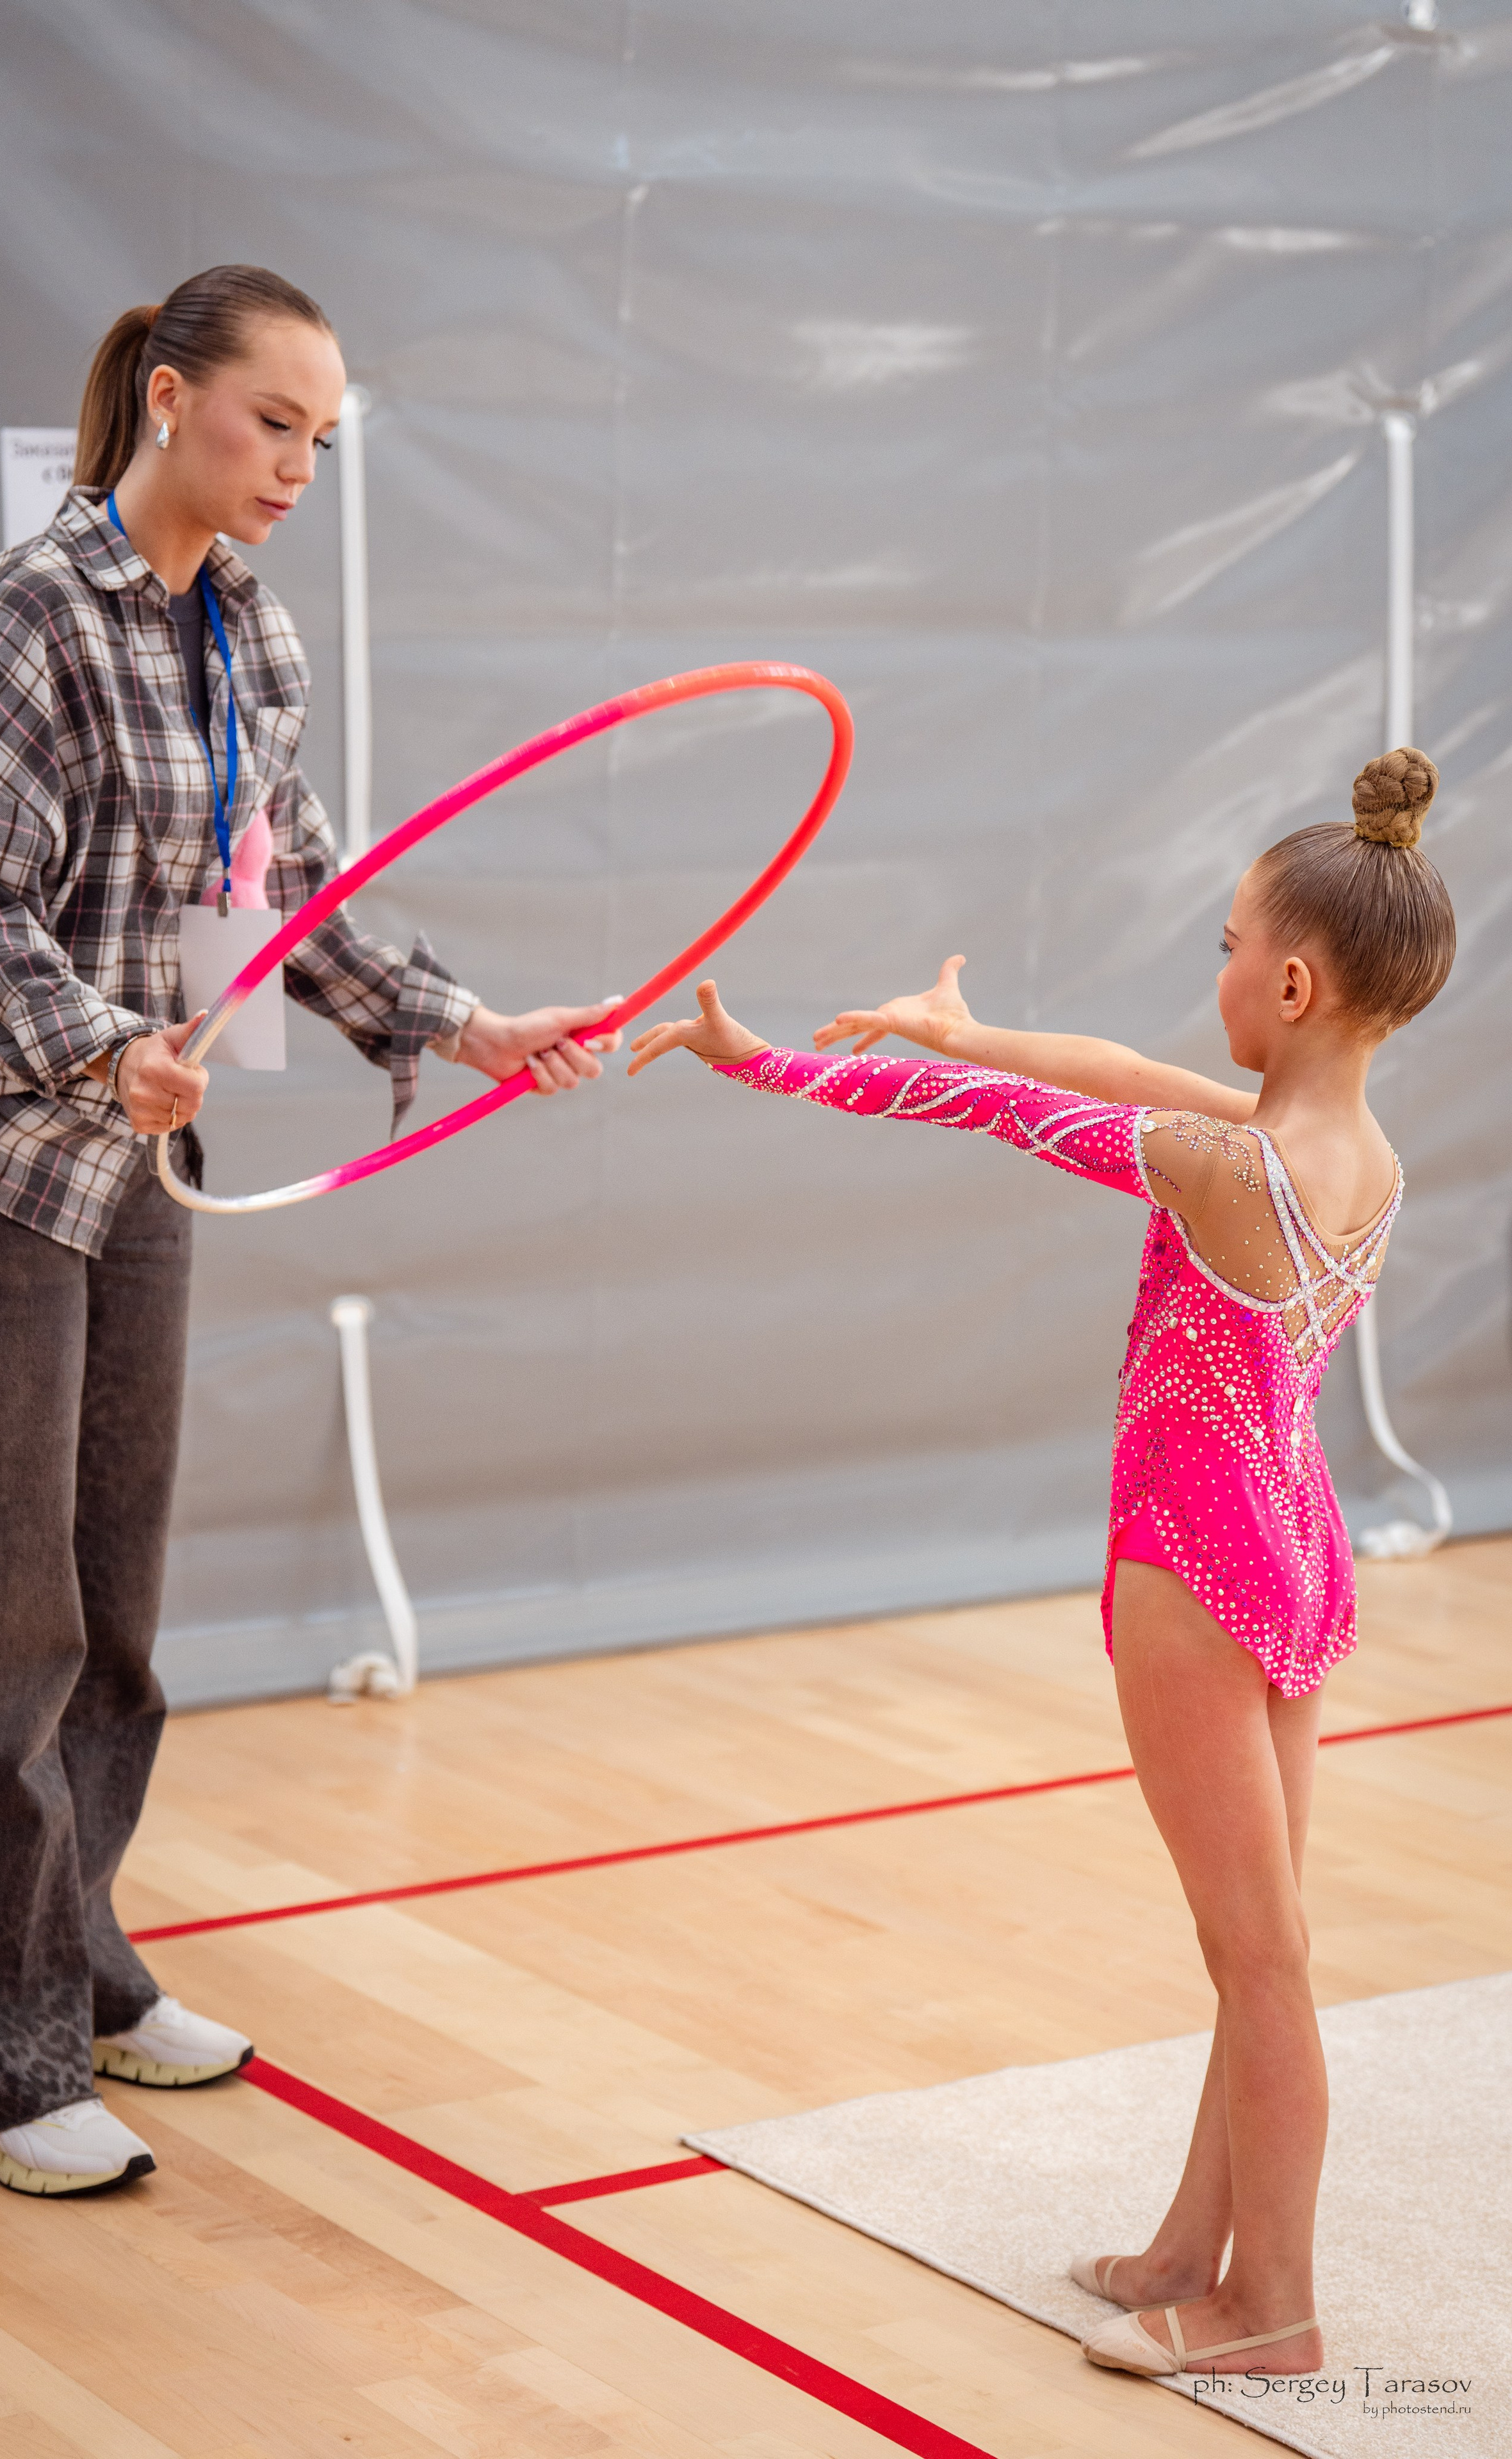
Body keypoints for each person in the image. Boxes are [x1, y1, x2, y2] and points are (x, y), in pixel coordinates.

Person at [0, 264, 620, 2198]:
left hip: (137, 1171)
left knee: (110, 1609)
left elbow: (282, 890)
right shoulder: (38, 605)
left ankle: (81, 1970)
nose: (298, 465)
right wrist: (103, 1043)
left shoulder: (251, 638)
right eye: (273, 422)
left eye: (323, 440)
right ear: (173, 398)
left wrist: (459, 1023)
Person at [628, 749, 1454, 2381]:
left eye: (1223, 945)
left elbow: (1021, 1116)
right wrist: (965, 1022)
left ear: (1287, 982)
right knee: (1261, 1939)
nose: (1209, 971)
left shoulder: (1227, 1169)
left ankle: (1268, 2306)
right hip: (1294, 1543)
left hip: (1189, 1554)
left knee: (1258, 1955)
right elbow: (1103, 1066)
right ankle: (1186, 2251)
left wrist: (770, 1066)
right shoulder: (1345, 1151)